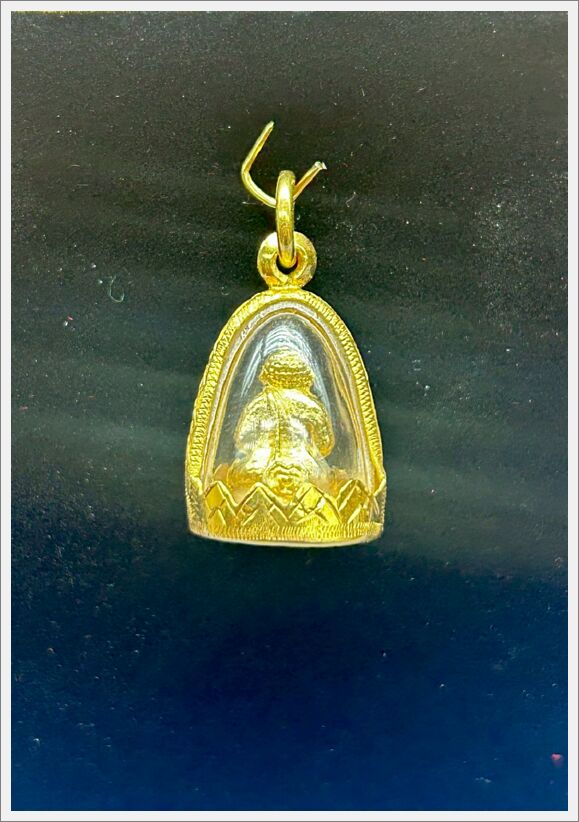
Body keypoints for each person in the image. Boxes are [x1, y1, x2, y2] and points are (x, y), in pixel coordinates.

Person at [226, 348, 335, 501]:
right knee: (323, 479)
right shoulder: (312, 406)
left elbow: (243, 439)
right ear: (305, 376)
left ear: (267, 376)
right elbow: (324, 444)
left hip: (259, 469)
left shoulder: (259, 403)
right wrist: (307, 449)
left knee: (240, 475)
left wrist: (262, 448)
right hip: (305, 471)